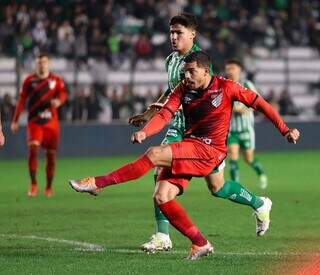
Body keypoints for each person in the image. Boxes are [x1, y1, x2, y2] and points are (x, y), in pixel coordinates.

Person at [69, 51, 300, 260]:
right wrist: (144, 131)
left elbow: (261, 105)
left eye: (192, 71)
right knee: (164, 195)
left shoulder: (227, 87)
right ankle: (202, 242)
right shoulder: (183, 88)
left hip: (211, 150)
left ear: (206, 71)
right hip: (192, 145)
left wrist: (285, 130)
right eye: (185, 72)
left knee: (154, 155)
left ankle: (98, 183)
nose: (187, 76)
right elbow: (165, 114)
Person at [129, 13, 226, 252]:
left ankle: (259, 203)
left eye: (179, 33)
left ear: (192, 34)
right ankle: (163, 236)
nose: (173, 37)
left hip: (200, 132)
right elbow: (171, 92)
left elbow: (204, 96)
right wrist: (148, 115)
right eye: (171, 32)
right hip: (176, 126)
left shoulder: (201, 62)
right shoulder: (171, 60)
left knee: (217, 187)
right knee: (159, 171)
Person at [11, 53, 67, 197]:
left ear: (48, 64)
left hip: (51, 122)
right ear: (36, 64)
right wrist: (15, 120)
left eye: (44, 62)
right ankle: (34, 184)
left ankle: (48, 187)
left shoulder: (56, 79)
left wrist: (59, 101)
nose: (41, 65)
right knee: (33, 150)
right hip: (34, 121)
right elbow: (21, 100)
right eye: (39, 63)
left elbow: (63, 94)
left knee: (51, 157)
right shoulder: (29, 81)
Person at [225, 59, 268, 189]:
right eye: (228, 68)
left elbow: (258, 102)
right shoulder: (225, 85)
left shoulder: (247, 84)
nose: (230, 71)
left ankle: (261, 174)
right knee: (233, 155)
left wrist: (245, 109)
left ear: (239, 70)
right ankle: (236, 186)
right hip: (232, 129)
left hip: (246, 129)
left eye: (232, 68)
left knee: (248, 158)